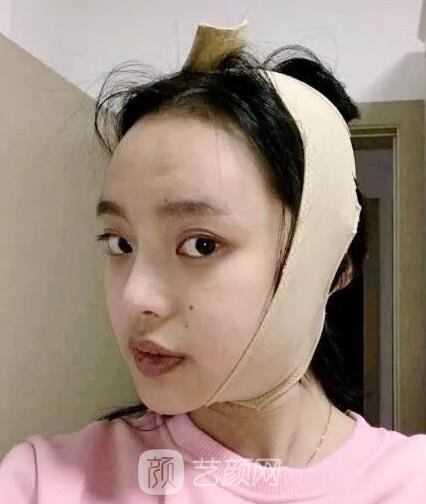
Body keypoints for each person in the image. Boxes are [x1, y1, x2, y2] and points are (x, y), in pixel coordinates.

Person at [1, 20, 425, 503]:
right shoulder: (45, 482)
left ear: (329, 268)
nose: (134, 297)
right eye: (120, 243)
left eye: (201, 245)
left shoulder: (410, 484)